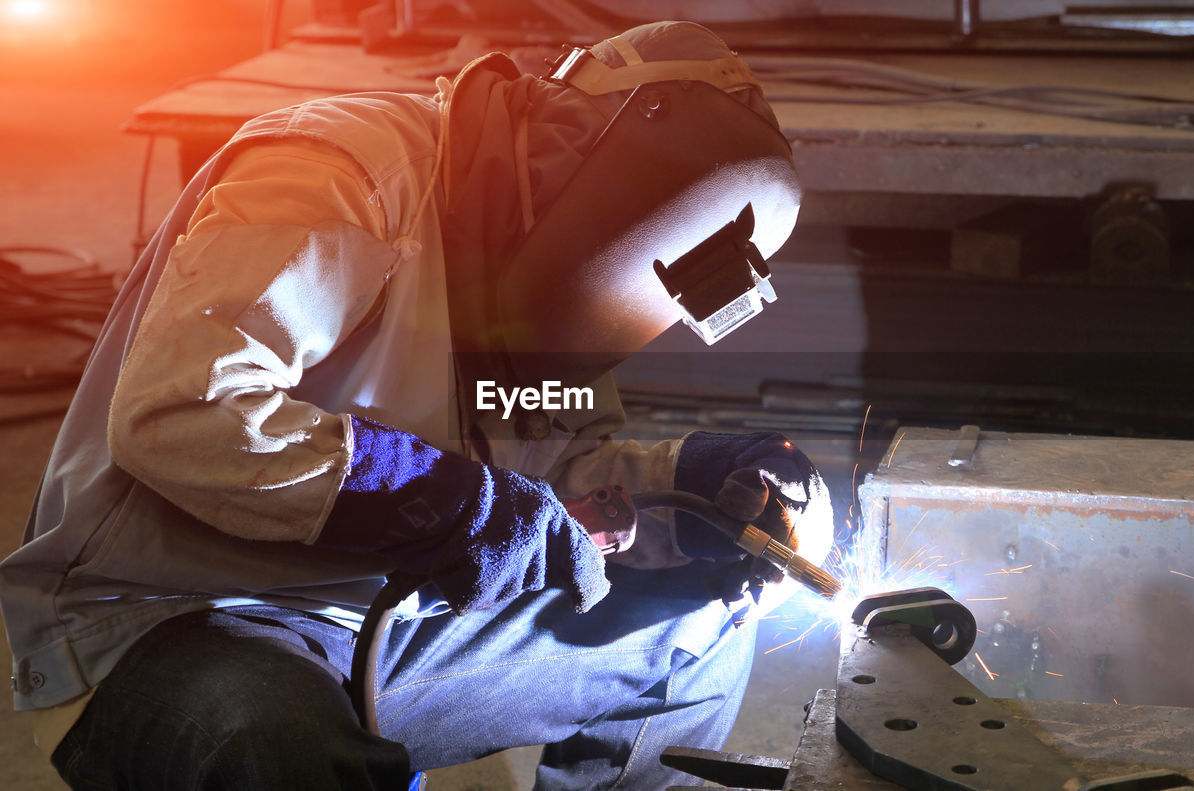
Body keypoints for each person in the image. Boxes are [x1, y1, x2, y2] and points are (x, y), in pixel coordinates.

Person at [0, 20, 834, 791]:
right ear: (578, 166)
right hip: (171, 618)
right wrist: (448, 503)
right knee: (277, 738)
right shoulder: (338, 172)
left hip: (388, 619)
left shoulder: (528, 269)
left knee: (699, 618)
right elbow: (181, 409)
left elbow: (552, 478)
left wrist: (691, 489)